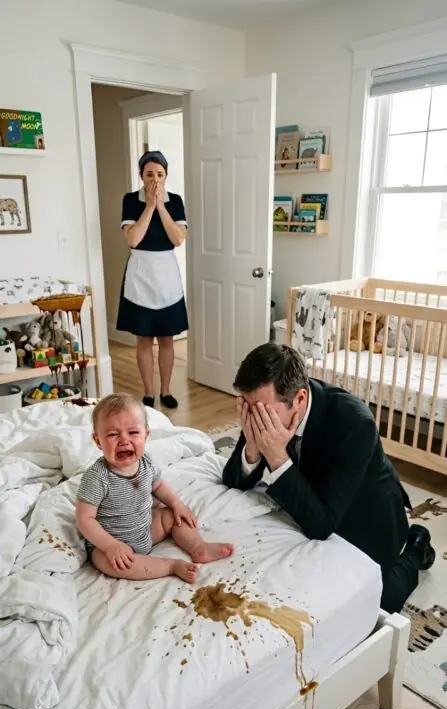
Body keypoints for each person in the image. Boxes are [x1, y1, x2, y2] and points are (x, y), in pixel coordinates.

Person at [222, 343, 436, 614]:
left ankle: (416, 546)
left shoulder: (354, 423)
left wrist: (276, 456)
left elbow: (320, 526)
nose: (255, 418)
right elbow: (233, 481)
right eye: (247, 408)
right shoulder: (263, 408)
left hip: (367, 510)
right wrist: (252, 446)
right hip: (312, 491)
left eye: (263, 412)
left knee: (378, 601)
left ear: (299, 399)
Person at [76, 393, 234, 583]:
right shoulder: (97, 477)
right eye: (112, 434)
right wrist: (110, 546)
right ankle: (170, 566)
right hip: (112, 541)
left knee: (172, 516)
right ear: (98, 441)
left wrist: (177, 504)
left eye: (133, 432)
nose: (124, 440)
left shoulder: (146, 463)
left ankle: (198, 548)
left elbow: (158, 485)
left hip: (146, 530)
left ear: (146, 435)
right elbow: (84, 519)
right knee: (109, 563)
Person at [117, 150, 188, 410]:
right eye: (149, 174)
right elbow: (133, 238)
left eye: (160, 174)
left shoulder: (176, 201)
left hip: (166, 273)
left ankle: (166, 390)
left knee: (167, 338)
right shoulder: (130, 201)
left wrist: (160, 206)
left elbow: (178, 238)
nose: (154, 179)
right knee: (144, 339)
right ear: (141, 175)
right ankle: (148, 393)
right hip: (140, 273)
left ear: (166, 176)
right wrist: (148, 206)